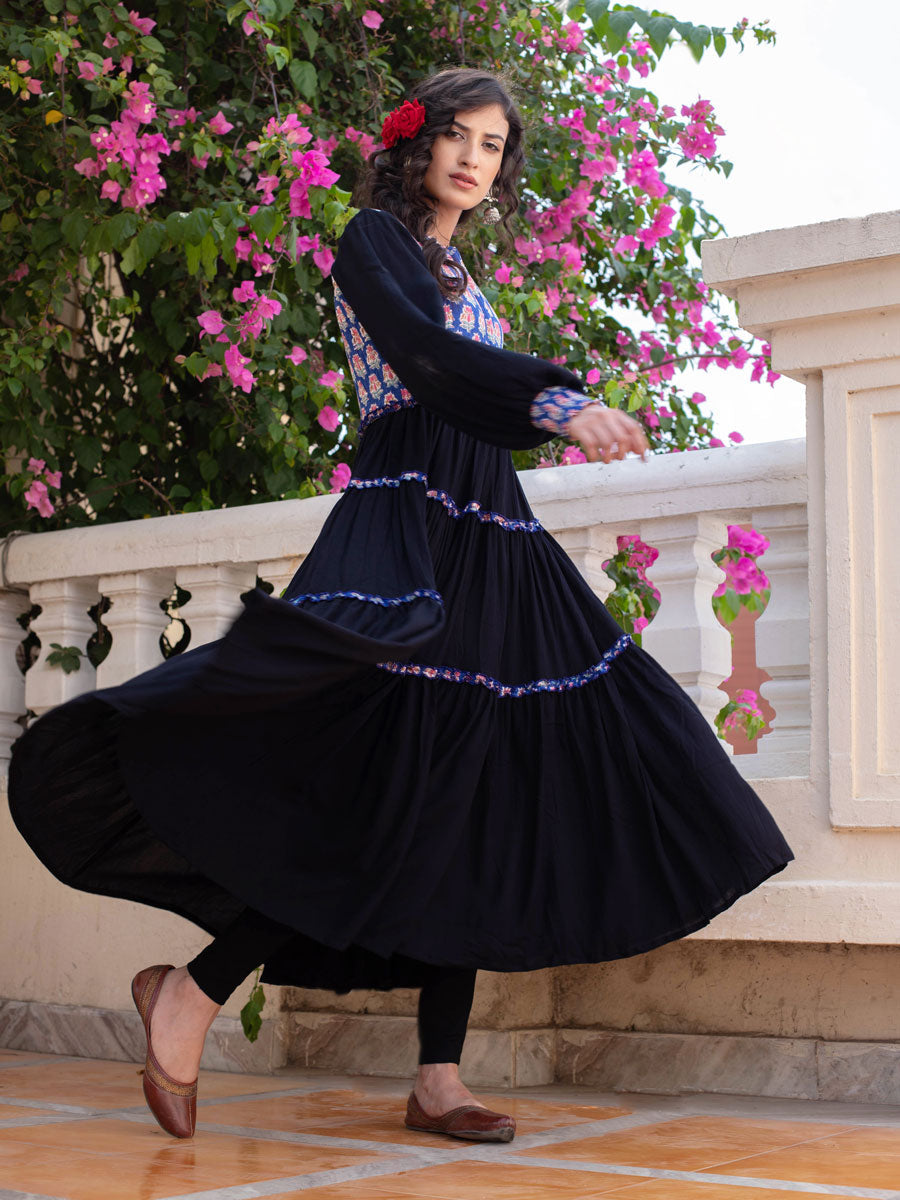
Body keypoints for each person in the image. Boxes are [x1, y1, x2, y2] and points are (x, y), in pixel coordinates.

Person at [7, 66, 794, 1145]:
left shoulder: (463, 266)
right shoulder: (373, 242)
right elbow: (429, 361)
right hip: (409, 525)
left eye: (493, 145)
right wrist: (555, 401)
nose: (474, 159)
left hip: (493, 533)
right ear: (417, 142)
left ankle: (437, 1078)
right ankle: (191, 991)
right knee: (371, 792)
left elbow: (464, 373)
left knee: (478, 787)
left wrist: (538, 409)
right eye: (458, 135)